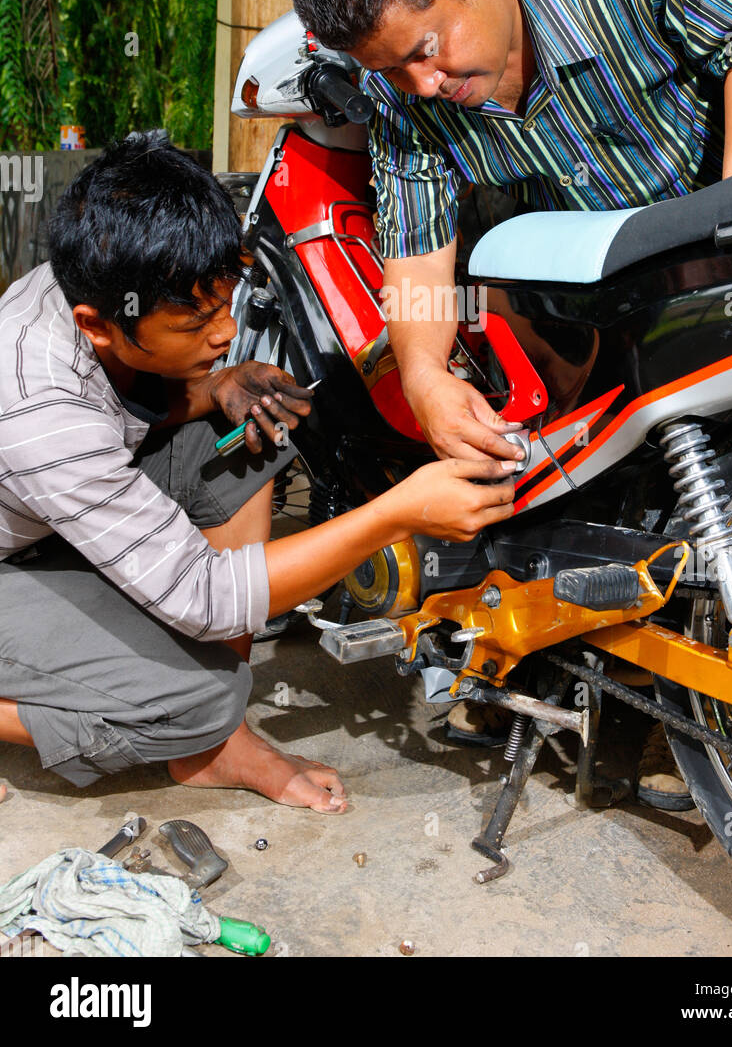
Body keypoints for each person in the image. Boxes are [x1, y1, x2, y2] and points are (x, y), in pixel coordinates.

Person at [288, 0, 732, 798]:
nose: (423, 85)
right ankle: (618, 694)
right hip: (580, 260)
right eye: (393, 71)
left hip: (713, 221)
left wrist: (730, 215)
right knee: (598, 473)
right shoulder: (406, 89)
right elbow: (416, 232)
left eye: (429, 52)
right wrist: (428, 376)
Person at [0, 133, 515, 807]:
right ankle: (206, 734)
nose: (219, 336)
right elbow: (206, 595)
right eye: (192, 325)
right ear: (97, 325)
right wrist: (395, 515)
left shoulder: (98, 278)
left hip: (38, 520)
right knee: (193, 699)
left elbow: (119, 405)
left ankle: (217, 745)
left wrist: (217, 385)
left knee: (252, 429)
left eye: (224, 306)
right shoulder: (39, 404)